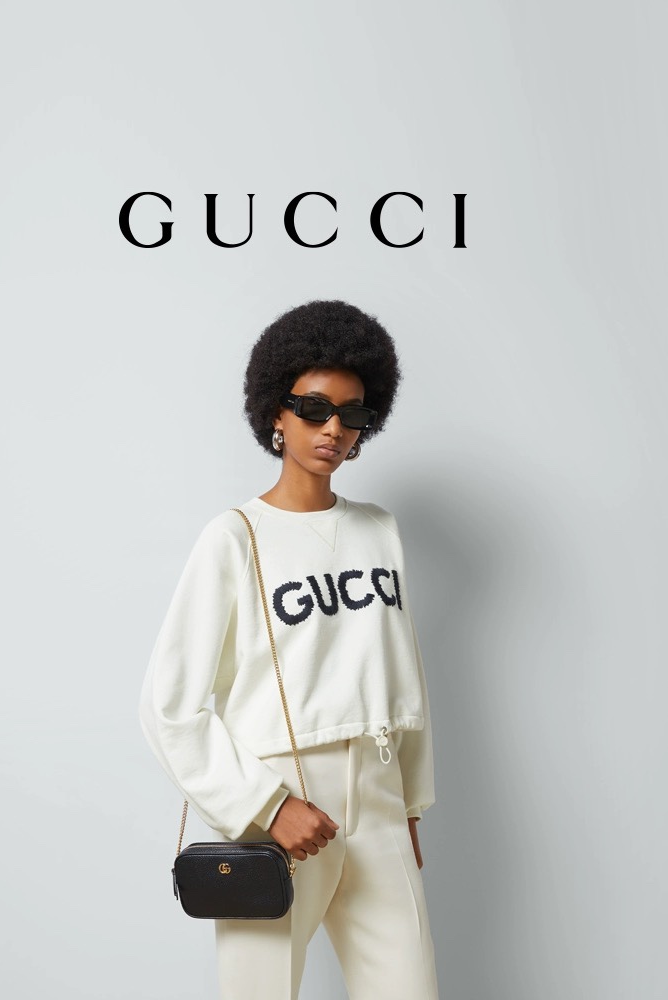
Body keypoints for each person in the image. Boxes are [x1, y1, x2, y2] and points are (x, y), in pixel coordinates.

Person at [139, 299, 440, 1000]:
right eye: (314, 408)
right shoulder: (234, 537)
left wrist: (410, 804)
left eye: (352, 413)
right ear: (277, 411)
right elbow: (169, 707)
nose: (333, 428)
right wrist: (268, 807)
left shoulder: (379, 530)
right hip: (281, 803)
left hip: (379, 795)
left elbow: (402, 669)